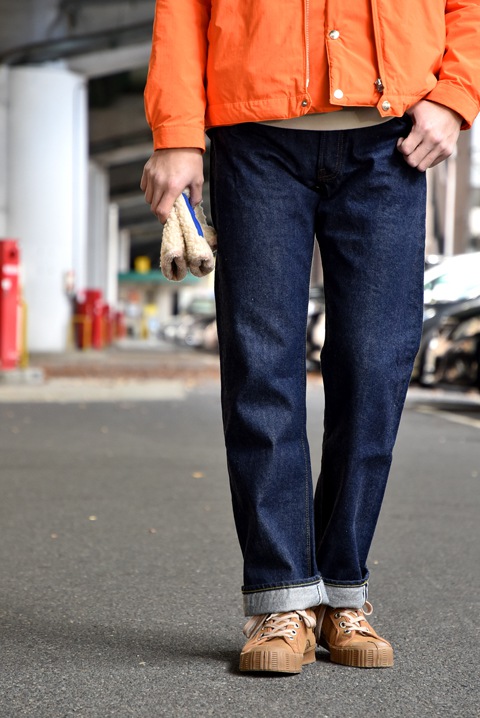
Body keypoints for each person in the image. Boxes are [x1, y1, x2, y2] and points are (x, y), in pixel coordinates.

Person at [141, 1, 480, 673]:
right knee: (262, 366)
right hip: (255, 136)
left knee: (376, 365)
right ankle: (281, 598)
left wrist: (457, 94)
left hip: (389, 139)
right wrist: (176, 132)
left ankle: (341, 591)